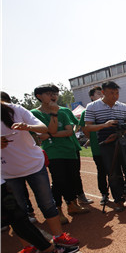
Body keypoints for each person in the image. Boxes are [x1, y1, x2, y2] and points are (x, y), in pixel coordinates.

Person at [1, 92, 79, 253]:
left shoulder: (15, 110)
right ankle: (28, 247)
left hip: (33, 165)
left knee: (46, 202)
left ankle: (58, 237)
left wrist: (27, 127)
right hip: (7, 172)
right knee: (18, 213)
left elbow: (43, 128)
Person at [31, 84, 90, 219]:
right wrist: (53, 116)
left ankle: (72, 205)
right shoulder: (35, 114)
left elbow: (69, 131)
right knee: (59, 181)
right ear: (39, 96)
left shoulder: (62, 112)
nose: (53, 97)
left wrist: (51, 134)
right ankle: (58, 210)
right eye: (49, 94)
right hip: (53, 152)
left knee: (72, 178)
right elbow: (45, 132)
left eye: (55, 94)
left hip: (69, 150)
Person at [84, 81, 126, 212]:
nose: (115, 96)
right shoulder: (92, 106)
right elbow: (88, 127)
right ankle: (118, 199)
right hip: (106, 143)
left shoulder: (123, 106)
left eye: (117, 93)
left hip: (123, 141)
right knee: (113, 173)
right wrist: (105, 125)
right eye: (111, 93)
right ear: (103, 92)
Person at [80, 86, 110, 205]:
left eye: (102, 94)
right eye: (98, 94)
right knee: (102, 171)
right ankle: (104, 194)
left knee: (115, 171)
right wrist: (92, 139)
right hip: (98, 148)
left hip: (112, 146)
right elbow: (85, 130)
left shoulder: (109, 108)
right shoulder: (86, 111)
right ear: (92, 97)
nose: (101, 96)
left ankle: (120, 193)